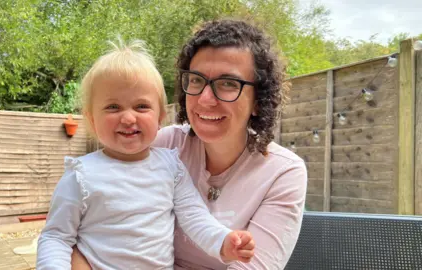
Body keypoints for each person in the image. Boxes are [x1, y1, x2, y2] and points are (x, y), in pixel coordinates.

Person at [72, 19, 308, 269]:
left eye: (228, 83)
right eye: (196, 80)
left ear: (258, 100)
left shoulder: (282, 173)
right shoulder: (162, 146)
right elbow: (83, 230)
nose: (205, 99)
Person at [36, 38, 256, 270]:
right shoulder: (80, 175)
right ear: (91, 119)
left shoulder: (171, 167)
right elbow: (56, 237)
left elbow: (194, 217)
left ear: (160, 116)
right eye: (113, 107)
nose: (129, 118)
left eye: (141, 106)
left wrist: (223, 242)